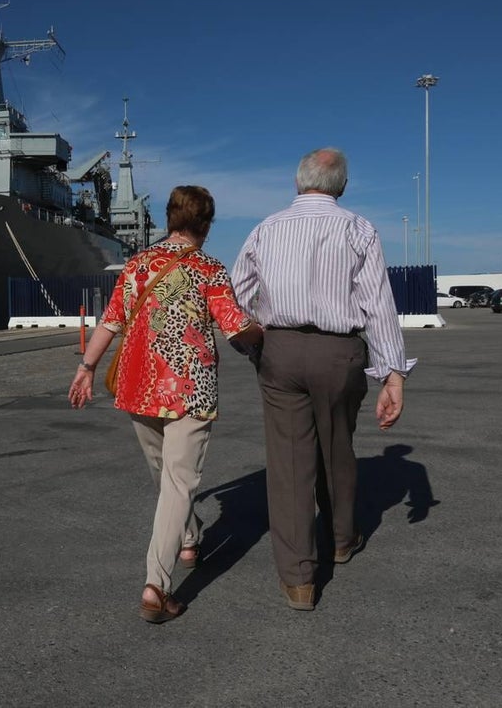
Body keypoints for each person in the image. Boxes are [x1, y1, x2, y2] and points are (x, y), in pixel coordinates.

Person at [230, 147, 416, 611]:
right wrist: (392, 374)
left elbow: (236, 294)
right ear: (343, 186)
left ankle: (298, 580)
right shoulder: (359, 229)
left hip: (282, 349)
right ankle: (340, 539)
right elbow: (378, 304)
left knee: (289, 461)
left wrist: (254, 344)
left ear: (298, 182)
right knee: (337, 446)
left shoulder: (265, 229)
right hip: (340, 351)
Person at [69, 185, 263, 624]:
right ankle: (156, 585)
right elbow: (235, 326)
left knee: (165, 477)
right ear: (206, 224)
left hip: (140, 387)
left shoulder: (138, 265)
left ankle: (190, 538)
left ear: (171, 218)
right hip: (190, 390)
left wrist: (86, 367)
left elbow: (111, 321)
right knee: (178, 483)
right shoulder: (209, 268)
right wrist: (265, 334)